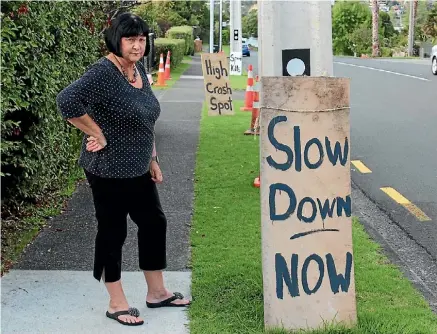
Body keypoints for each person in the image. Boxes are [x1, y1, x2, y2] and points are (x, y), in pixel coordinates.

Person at [56, 13, 190, 327]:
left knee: (154, 222)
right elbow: (67, 101)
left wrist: (153, 158)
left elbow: (145, 119)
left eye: (142, 39)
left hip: (139, 166)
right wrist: (96, 132)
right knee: (113, 231)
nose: (137, 45)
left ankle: (157, 293)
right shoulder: (103, 72)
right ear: (116, 40)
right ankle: (116, 302)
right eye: (130, 39)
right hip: (108, 168)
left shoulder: (138, 69)